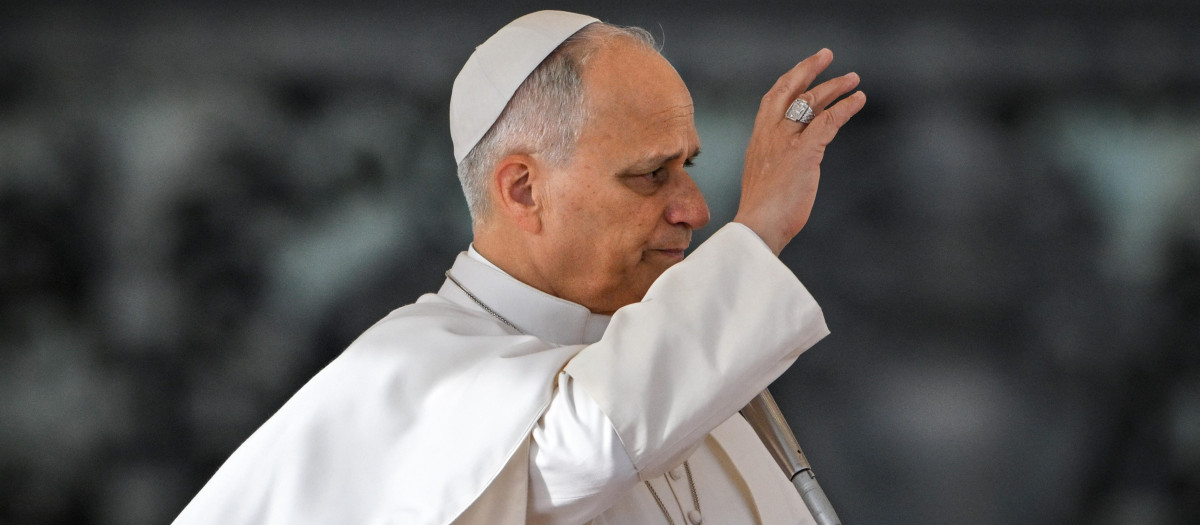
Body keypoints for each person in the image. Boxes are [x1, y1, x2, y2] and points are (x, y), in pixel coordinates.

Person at [173, 9, 865, 525]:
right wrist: (761, 226)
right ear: (523, 190)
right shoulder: (402, 376)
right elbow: (583, 447)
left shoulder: (683, 382)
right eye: (653, 174)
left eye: (689, 166)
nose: (695, 208)